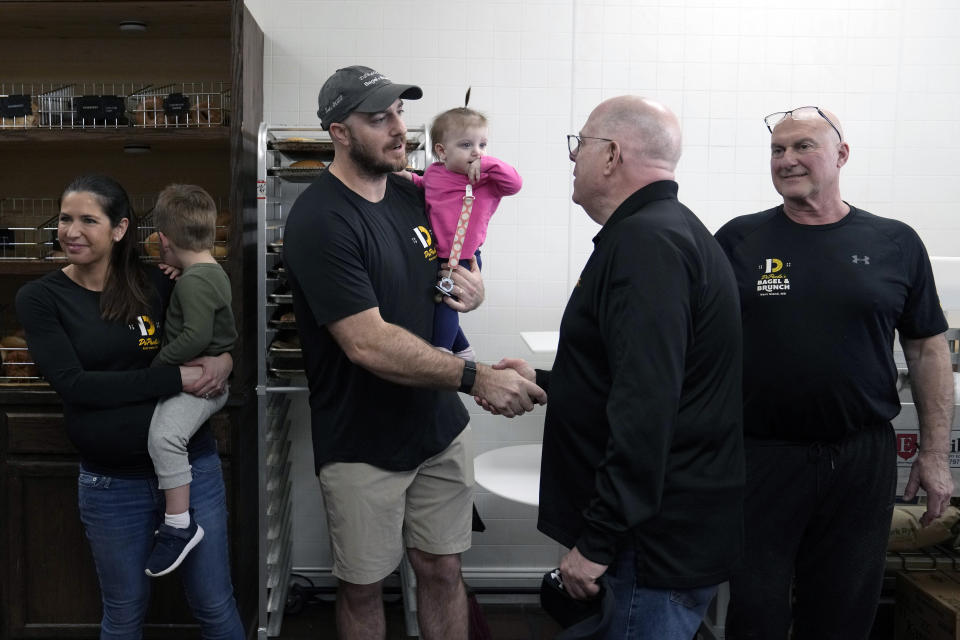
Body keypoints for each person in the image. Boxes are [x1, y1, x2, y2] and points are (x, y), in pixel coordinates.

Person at [283, 65, 546, 640]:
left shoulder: (412, 194)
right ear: (339, 132)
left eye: (400, 113)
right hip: (363, 439)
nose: (399, 128)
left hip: (437, 428)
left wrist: (471, 288)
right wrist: (475, 377)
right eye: (378, 118)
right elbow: (368, 342)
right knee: (361, 585)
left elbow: (451, 268)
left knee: (443, 567)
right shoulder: (321, 219)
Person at [491, 96, 745, 639]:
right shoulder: (664, 231)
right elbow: (640, 377)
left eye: (578, 145)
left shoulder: (647, 244)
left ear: (610, 154)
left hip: (647, 545)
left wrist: (597, 542)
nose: (572, 159)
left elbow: (646, 410)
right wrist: (545, 382)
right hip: (658, 534)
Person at [715, 106, 955, 639]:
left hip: (860, 458)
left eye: (802, 146)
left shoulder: (894, 242)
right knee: (755, 612)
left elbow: (927, 349)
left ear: (841, 155)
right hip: (761, 457)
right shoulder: (738, 240)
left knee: (844, 615)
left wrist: (935, 455)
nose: (787, 159)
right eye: (777, 150)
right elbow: (697, 343)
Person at [15, 174, 244, 638]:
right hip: (110, 483)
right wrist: (171, 377)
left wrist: (225, 358)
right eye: (64, 218)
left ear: (119, 229)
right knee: (122, 613)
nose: (71, 230)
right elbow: (75, 385)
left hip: (193, 473)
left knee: (216, 606)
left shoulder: (158, 282)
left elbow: (206, 331)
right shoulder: (41, 298)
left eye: (87, 219)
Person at [143, 184, 237, 578]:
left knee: (165, 437)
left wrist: (160, 367)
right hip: (207, 373)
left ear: (163, 241)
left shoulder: (194, 281)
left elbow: (196, 336)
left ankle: (179, 524)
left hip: (199, 379)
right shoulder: (208, 271)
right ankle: (179, 521)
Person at [398, 105, 522, 361]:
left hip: (463, 257)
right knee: (438, 303)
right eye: (466, 145)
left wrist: (487, 163)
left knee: (447, 303)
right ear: (442, 151)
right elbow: (427, 188)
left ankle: (442, 353)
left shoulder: (486, 180)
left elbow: (515, 183)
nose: (477, 152)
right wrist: (409, 178)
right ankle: (463, 350)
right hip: (434, 254)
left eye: (483, 144)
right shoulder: (434, 172)